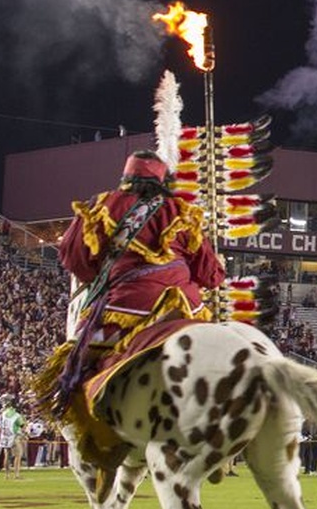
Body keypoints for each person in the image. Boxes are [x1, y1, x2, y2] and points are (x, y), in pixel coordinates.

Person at [39, 150, 226, 461]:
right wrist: (217, 266)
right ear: (162, 182)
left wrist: (101, 273)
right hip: (184, 307)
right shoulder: (180, 212)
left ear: (126, 178)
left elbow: (74, 257)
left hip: (126, 307)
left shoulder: (102, 205)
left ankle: (82, 421)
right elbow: (209, 275)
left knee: (78, 357)